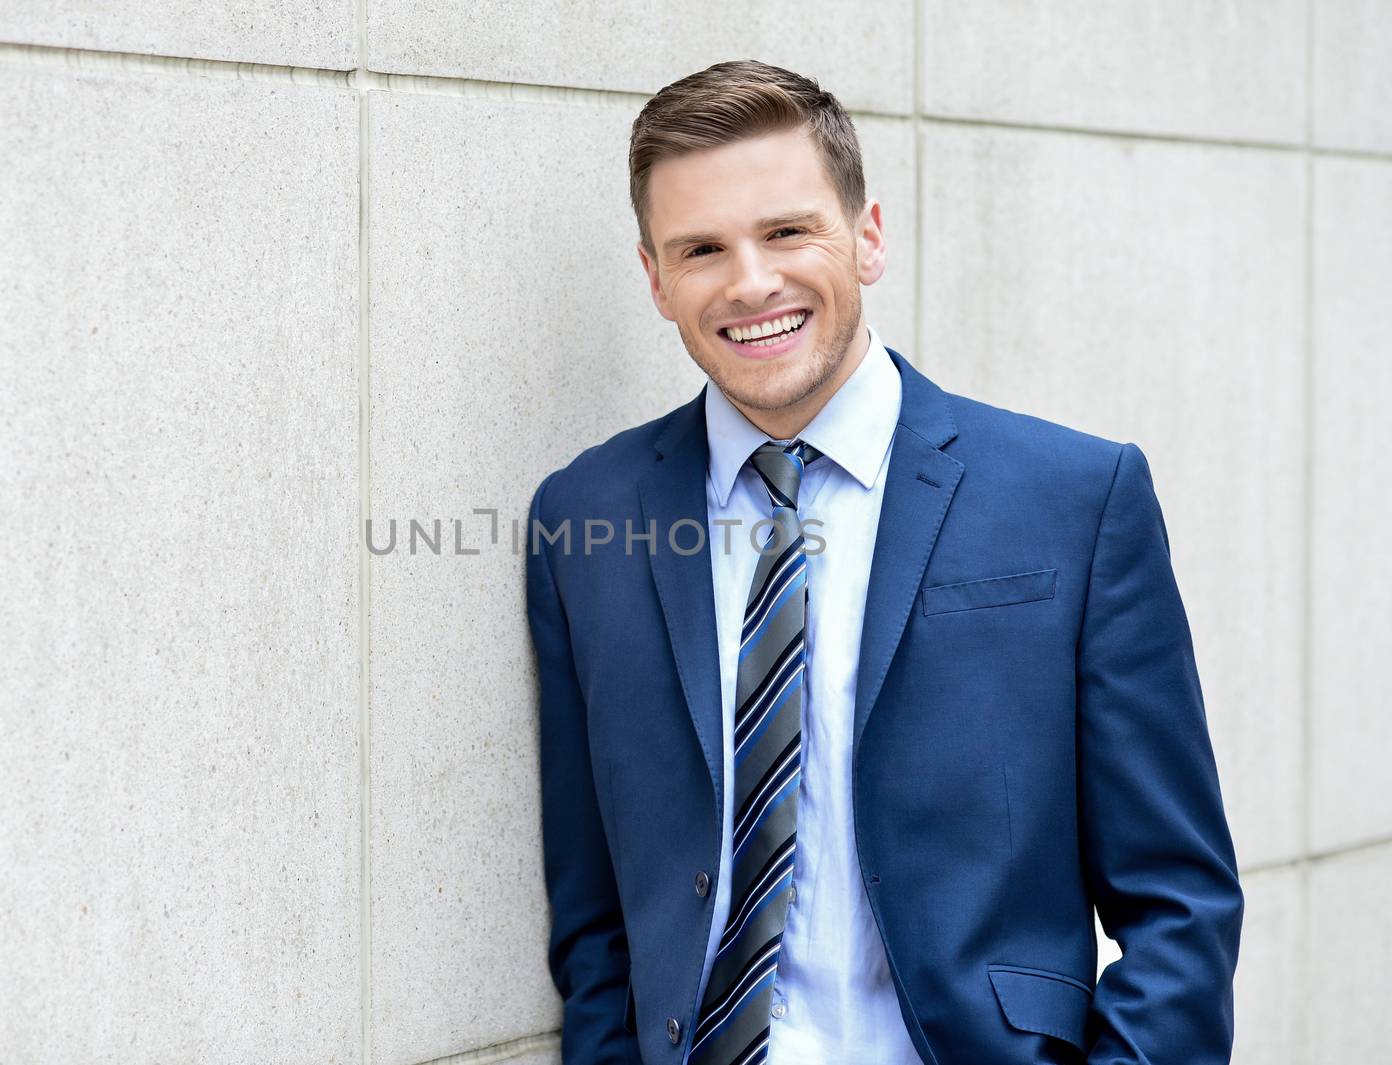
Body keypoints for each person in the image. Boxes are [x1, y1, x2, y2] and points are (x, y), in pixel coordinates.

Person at [524, 59, 1243, 1065]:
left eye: (786, 231)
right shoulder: (586, 517)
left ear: (866, 237)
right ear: (654, 279)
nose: (750, 282)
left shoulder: (1074, 497)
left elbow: (1178, 900)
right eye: (701, 249)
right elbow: (593, 913)